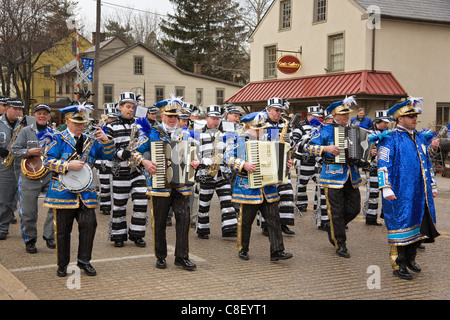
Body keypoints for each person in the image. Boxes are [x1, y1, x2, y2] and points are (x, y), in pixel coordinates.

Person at [43, 102, 116, 277]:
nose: (79, 126)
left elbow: (109, 154)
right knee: (62, 230)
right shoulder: (57, 138)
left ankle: (84, 261)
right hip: (63, 193)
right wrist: (68, 165)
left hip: (86, 193)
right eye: (76, 123)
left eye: (82, 123)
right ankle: (62, 264)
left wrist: (106, 139)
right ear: (67, 122)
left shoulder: (91, 139)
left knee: (89, 225)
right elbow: (46, 161)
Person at [132, 96, 200, 271]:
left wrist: (195, 161)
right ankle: (160, 256)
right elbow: (135, 152)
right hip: (160, 184)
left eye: (175, 116)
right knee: (160, 221)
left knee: (183, 219)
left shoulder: (184, 133)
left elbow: (193, 155)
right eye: (169, 116)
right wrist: (145, 163)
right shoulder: (151, 132)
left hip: (181, 183)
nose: (173, 119)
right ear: (162, 116)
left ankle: (182, 257)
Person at [377, 97, 440, 280]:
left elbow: (427, 163)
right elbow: (383, 163)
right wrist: (386, 187)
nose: (414, 119)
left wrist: (433, 184)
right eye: (410, 116)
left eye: (415, 116)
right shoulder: (390, 138)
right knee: (400, 226)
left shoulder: (419, 136)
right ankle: (399, 264)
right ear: (399, 119)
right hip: (399, 192)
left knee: (418, 225)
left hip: (421, 192)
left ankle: (411, 259)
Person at [223, 112, 293, 261]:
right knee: (246, 221)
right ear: (248, 127)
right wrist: (243, 164)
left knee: (274, 219)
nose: (261, 132)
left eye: (262, 128)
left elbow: (278, 159)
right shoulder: (237, 139)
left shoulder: (269, 140)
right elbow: (227, 158)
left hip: (268, 187)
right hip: (247, 187)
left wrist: (286, 164)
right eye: (257, 129)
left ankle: (277, 251)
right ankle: (243, 249)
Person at [305, 96, 362, 258]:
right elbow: (308, 147)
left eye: (347, 114)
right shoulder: (326, 130)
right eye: (342, 114)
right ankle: (340, 244)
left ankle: (334, 227)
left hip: (352, 176)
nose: (346, 117)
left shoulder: (354, 130)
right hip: (332, 176)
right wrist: (325, 148)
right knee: (336, 211)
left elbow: (361, 151)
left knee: (354, 209)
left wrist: (367, 153)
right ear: (334, 116)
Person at [105, 92, 148, 248]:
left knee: (142, 200)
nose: (130, 110)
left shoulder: (139, 124)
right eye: (128, 107)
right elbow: (108, 148)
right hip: (119, 170)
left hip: (136, 170)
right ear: (120, 108)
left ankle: (137, 234)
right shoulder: (111, 126)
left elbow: (145, 142)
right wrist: (120, 153)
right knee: (119, 204)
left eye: (132, 107)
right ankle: (118, 235)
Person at [11, 104, 56, 253]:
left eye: (45, 113)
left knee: (55, 206)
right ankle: (30, 239)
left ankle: (49, 235)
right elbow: (14, 151)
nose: (42, 116)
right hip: (29, 176)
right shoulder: (25, 131)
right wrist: (28, 151)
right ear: (34, 115)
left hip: (49, 174)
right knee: (28, 212)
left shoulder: (54, 133)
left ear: (49, 116)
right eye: (39, 113)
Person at [195, 105, 237, 239]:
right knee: (204, 204)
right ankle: (202, 230)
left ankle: (229, 229)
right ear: (206, 118)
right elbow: (194, 153)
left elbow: (232, 151)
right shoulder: (198, 133)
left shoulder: (226, 133)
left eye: (218, 118)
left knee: (227, 202)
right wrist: (202, 161)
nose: (215, 121)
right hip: (205, 173)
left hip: (222, 173)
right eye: (213, 118)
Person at [261, 97, 296, 235]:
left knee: (287, 194)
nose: (279, 113)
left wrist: (290, 158)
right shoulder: (261, 124)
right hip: (267, 165)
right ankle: (266, 226)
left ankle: (283, 224)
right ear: (269, 110)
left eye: (280, 110)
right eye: (276, 110)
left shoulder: (284, 124)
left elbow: (290, 145)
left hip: (282, 165)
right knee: (269, 197)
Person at [0, 98, 28, 239]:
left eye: (19, 109)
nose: (18, 112)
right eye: (14, 109)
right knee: (4, 199)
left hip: (21, 165)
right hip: (4, 167)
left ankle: (28, 232)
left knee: (23, 200)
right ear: (6, 108)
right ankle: (2, 228)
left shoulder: (24, 125)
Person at [291, 105, 323, 213]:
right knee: (302, 184)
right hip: (303, 160)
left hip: (316, 161)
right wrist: (306, 141)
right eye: (315, 116)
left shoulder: (320, 126)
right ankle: (301, 205)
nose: (318, 119)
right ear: (309, 116)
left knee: (319, 184)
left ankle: (317, 205)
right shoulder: (300, 126)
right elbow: (293, 143)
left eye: (318, 117)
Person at [363, 110, 391, 226]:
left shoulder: (389, 133)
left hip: (386, 167)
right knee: (373, 193)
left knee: (388, 191)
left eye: (387, 122)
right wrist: (371, 152)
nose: (386, 124)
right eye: (384, 122)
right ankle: (370, 217)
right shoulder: (369, 133)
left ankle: (387, 216)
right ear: (378, 121)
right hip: (372, 167)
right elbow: (363, 149)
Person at [95, 104, 117, 215]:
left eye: (114, 118)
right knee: (104, 185)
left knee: (114, 184)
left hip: (114, 161)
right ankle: (105, 206)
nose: (111, 120)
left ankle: (114, 206)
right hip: (102, 161)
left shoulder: (116, 129)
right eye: (110, 118)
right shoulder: (100, 129)